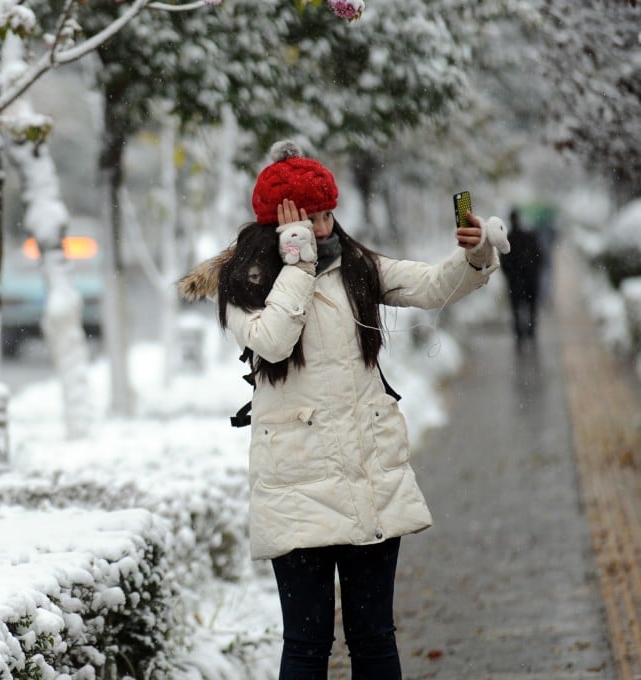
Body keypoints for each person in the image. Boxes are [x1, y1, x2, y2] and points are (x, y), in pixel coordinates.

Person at [178, 141, 499, 680]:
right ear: (280, 222)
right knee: (306, 645)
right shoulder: (243, 280)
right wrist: (298, 264)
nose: (325, 227)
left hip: (368, 473)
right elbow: (273, 341)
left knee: (374, 638)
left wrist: (474, 255)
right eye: (311, 218)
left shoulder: (357, 266)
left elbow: (426, 285)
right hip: (297, 484)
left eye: (329, 215)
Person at [500, 208, 544, 350]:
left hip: (515, 281)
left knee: (516, 308)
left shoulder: (508, 239)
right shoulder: (529, 236)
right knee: (531, 307)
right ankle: (530, 331)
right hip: (530, 280)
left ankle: (519, 333)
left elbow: (503, 262)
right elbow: (539, 257)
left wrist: (511, 275)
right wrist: (534, 272)